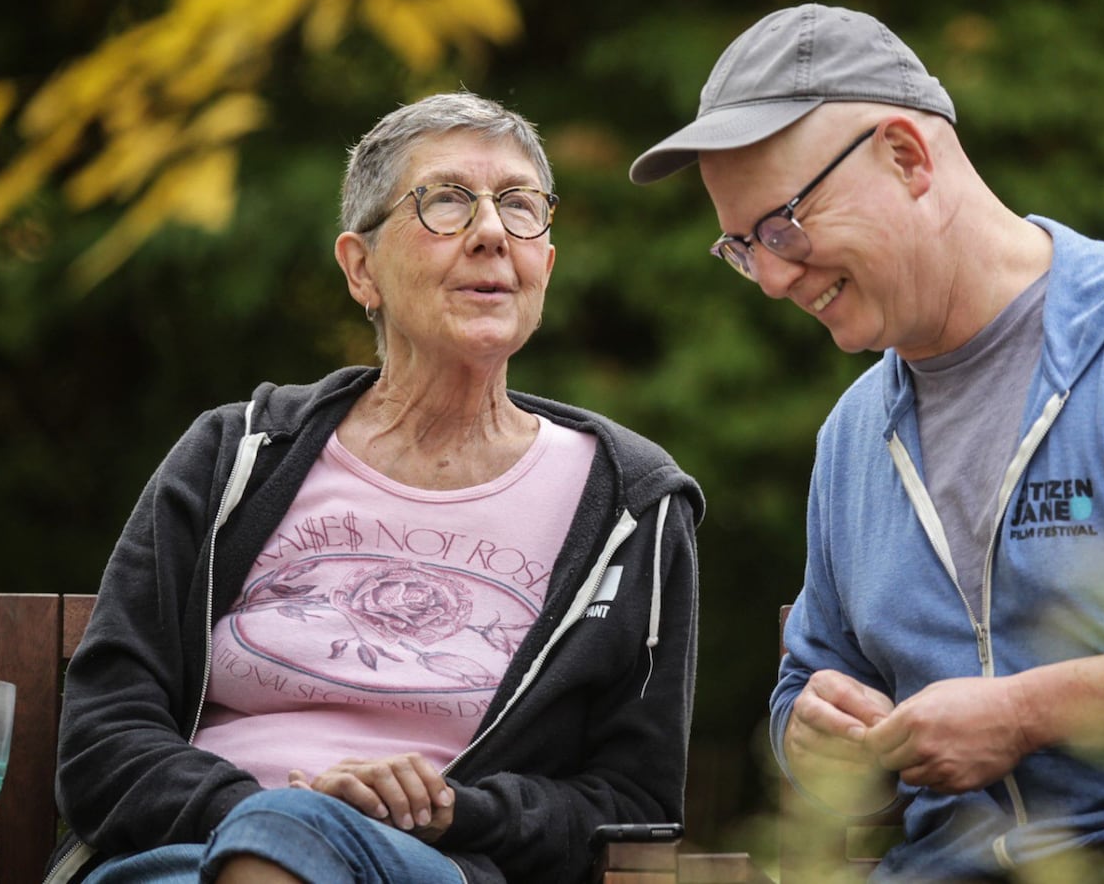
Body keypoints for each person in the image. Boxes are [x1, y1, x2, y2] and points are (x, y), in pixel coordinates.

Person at [631, 3, 1104, 884]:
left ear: (907, 157)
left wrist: (1024, 713)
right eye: (742, 247)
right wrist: (822, 736)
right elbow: (812, 687)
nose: (770, 278)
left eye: (784, 227)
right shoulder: (851, 438)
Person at [49, 90, 703, 884]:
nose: (493, 233)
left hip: (434, 869)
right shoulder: (235, 458)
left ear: (545, 267)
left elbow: (632, 801)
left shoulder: (630, 505)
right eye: (448, 202)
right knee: (281, 839)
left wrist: (453, 808)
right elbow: (104, 738)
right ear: (362, 268)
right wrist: (270, 814)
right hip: (190, 858)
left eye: (521, 207)